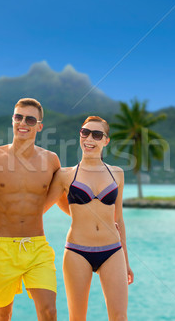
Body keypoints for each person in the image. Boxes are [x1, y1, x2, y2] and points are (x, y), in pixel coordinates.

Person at [0, 98, 61, 321]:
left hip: (37, 248)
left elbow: (63, 197)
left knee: (49, 311)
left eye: (30, 119)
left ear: (39, 126)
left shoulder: (52, 160)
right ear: (13, 120)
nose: (23, 122)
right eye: (18, 117)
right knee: (2, 315)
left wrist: (99, 221)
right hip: (0, 247)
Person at [44, 116, 133, 320]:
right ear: (80, 135)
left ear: (106, 140)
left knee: (120, 316)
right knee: (77, 317)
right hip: (77, 251)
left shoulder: (117, 173)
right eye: (85, 132)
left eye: (97, 134)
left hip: (112, 250)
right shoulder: (65, 175)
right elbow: (40, 208)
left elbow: (118, 218)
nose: (89, 138)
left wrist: (126, 262)